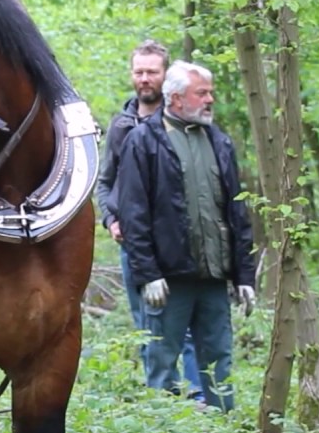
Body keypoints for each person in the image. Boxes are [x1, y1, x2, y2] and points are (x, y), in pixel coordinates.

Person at [117, 60, 257, 412]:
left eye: (210, 92)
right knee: (162, 361)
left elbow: (237, 213)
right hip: (168, 280)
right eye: (202, 93)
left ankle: (223, 432)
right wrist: (148, 274)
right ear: (177, 98)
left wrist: (245, 275)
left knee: (219, 359)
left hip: (213, 279)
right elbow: (133, 213)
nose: (210, 99)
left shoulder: (219, 141)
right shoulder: (143, 141)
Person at [96, 40, 201, 397]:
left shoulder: (182, 123)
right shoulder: (121, 126)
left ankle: (199, 397)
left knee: (185, 322)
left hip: (178, 243)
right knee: (146, 324)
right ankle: (161, 399)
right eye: (139, 72)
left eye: (152, 72)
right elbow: (105, 182)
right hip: (134, 245)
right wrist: (110, 219)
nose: (144, 79)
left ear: (165, 75)